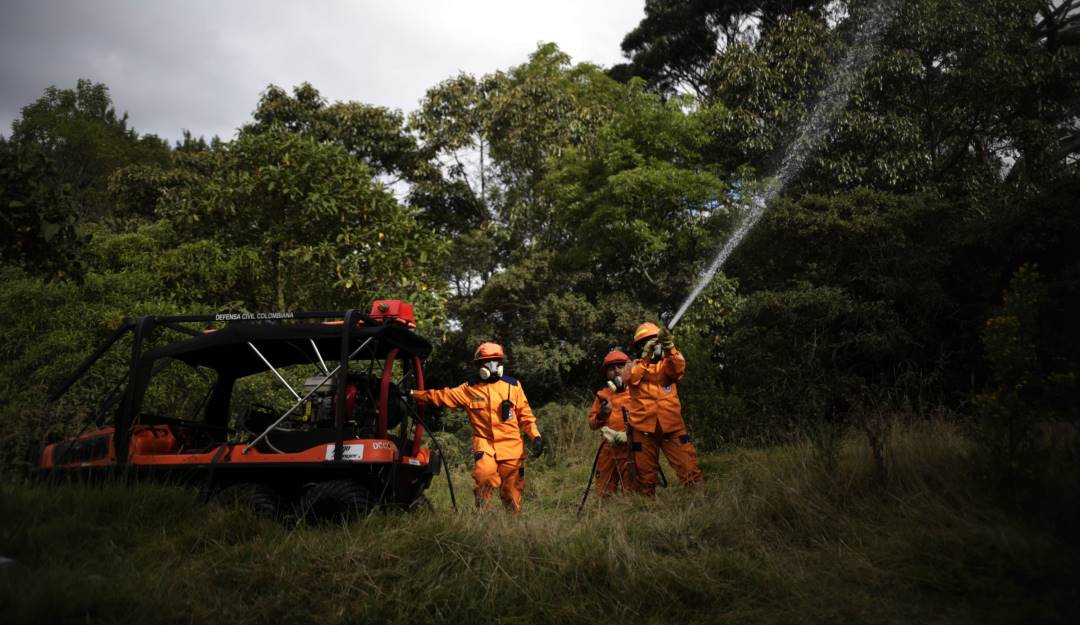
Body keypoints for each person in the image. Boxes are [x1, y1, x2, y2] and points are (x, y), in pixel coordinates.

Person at [411, 342, 543, 512]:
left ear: (501, 363)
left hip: (512, 446)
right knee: (484, 476)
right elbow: (441, 396)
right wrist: (414, 394)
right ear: (480, 365)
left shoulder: (514, 386)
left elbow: (526, 415)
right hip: (485, 443)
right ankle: (483, 516)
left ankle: (512, 523)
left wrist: (536, 436)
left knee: (512, 489)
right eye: (487, 361)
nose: (492, 365)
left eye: (495, 360)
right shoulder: (469, 389)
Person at [624, 322, 704, 496]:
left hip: (672, 428)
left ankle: (700, 501)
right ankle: (646, 512)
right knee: (645, 477)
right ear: (640, 347)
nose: (654, 345)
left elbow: (678, 369)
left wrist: (670, 347)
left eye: (656, 341)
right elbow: (629, 378)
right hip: (643, 431)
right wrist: (645, 358)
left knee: (689, 468)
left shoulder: (669, 362)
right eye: (647, 342)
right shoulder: (632, 365)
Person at [586, 350, 634, 497]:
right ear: (607, 373)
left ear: (628, 368)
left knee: (633, 493)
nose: (617, 371)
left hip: (631, 449)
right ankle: (605, 518)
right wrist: (602, 414)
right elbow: (592, 424)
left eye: (620, 366)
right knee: (603, 494)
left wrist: (631, 434)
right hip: (608, 450)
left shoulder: (637, 392)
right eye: (612, 368)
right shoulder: (602, 395)